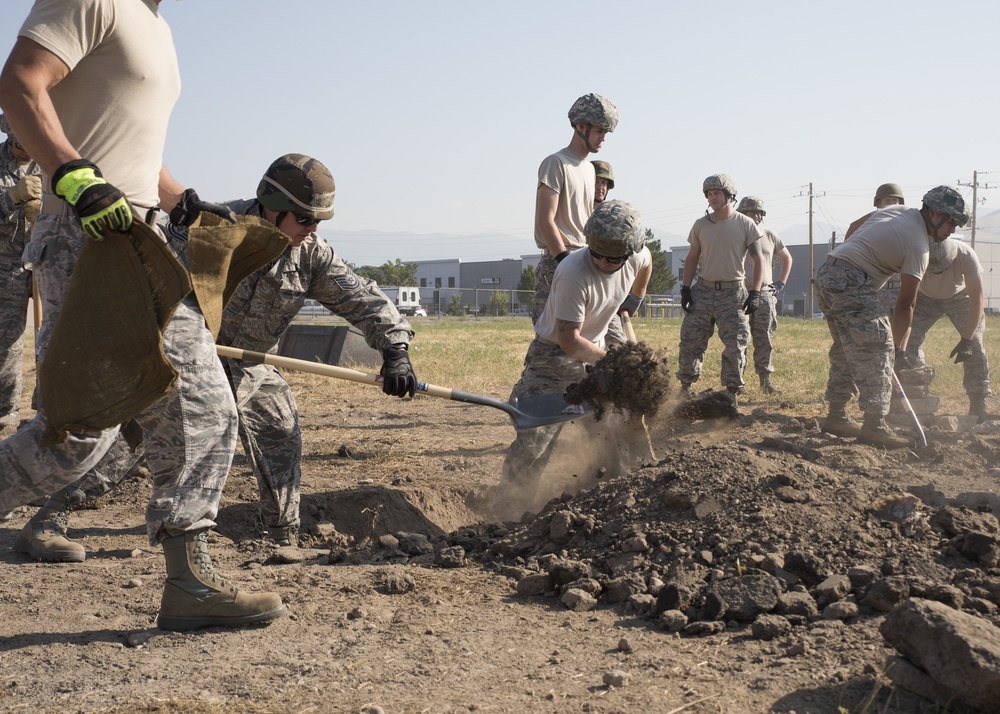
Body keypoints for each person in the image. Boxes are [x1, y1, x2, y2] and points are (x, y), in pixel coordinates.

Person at [0, 0, 286, 630]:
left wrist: (181, 200)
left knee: (83, 436)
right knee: (152, 416)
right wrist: (71, 176)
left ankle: (190, 581)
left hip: (134, 231)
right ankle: (191, 582)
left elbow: (126, 144)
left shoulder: (157, 26)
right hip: (91, 233)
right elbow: (19, 81)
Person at [16, 153, 418, 559]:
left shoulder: (311, 253)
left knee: (280, 431)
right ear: (273, 208)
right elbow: (145, 274)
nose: (312, 229)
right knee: (131, 441)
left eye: (319, 221)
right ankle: (47, 520)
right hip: (186, 359)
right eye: (305, 219)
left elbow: (362, 298)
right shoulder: (210, 227)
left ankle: (282, 537)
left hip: (253, 366)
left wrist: (394, 349)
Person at [493, 199, 651, 521]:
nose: (604, 262)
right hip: (554, 353)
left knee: (613, 424)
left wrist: (634, 299)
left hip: (596, 343)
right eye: (597, 254)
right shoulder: (571, 272)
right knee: (536, 436)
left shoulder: (638, 256)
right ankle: (505, 511)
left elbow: (646, 265)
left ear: (630, 250)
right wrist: (610, 363)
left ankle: (616, 503)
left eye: (614, 258)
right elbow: (569, 340)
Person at [814, 186, 969, 448]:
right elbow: (906, 305)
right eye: (950, 222)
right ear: (933, 213)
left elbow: (854, 225)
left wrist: (851, 254)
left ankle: (837, 416)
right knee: (879, 346)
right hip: (852, 280)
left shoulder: (896, 210)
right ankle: (875, 425)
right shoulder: (919, 246)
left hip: (828, 271)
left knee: (846, 347)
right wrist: (896, 349)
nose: (952, 230)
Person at [676, 174, 764, 400]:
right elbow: (692, 257)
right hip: (703, 292)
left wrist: (755, 292)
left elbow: (759, 260)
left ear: (729, 196)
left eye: (717, 193)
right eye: (709, 194)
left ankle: (731, 394)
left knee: (736, 345)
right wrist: (686, 288)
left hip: (733, 295)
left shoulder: (746, 225)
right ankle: (685, 388)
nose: (712, 198)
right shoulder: (700, 225)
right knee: (691, 341)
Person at [902, 237, 991, 421]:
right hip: (924, 298)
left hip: (960, 296)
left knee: (975, 344)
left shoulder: (966, 256)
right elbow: (905, 300)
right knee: (908, 342)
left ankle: (978, 400)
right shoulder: (915, 254)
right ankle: (915, 395)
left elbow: (977, 299)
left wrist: (966, 339)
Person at [0, 114, 41, 433]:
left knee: (52, 339)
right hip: (6, 269)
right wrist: (11, 198)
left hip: (47, 266)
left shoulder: (54, 164)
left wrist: (46, 213)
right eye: (18, 144)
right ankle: (5, 416)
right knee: (6, 344)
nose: (25, 149)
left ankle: (47, 412)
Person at [736, 196, 793, 394]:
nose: (756, 215)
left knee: (764, 338)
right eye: (751, 212)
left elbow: (787, 258)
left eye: (759, 212)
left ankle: (765, 380)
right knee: (738, 339)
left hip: (765, 294)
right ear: (741, 214)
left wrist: (781, 282)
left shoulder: (769, 235)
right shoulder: (734, 234)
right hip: (740, 293)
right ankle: (737, 381)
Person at [845, 183, 906, 315]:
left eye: (895, 201)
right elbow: (852, 228)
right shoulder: (871, 218)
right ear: (879, 203)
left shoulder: (905, 221)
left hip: (899, 287)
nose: (891, 204)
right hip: (876, 287)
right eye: (887, 201)